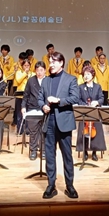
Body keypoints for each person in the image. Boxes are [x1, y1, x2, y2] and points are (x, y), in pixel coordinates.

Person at [39, 52, 80, 199]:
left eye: (54, 62)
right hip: (49, 121)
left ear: (61, 62)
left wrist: (58, 100)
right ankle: (51, 185)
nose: (51, 64)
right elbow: (40, 98)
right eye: (50, 62)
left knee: (67, 155)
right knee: (50, 155)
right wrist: (43, 106)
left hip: (64, 122)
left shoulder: (71, 79)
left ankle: (70, 185)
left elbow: (75, 97)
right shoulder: (45, 80)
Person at [76, 65, 106, 162]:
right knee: (83, 130)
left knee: (96, 130)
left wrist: (96, 102)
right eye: (84, 74)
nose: (86, 76)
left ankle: (94, 152)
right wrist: (85, 105)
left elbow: (101, 98)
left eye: (88, 74)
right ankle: (84, 151)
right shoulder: (81, 87)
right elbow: (78, 99)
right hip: (84, 113)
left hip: (95, 112)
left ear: (92, 75)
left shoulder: (98, 87)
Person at [22, 61, 46, 160]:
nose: (39, 72)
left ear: (45, 70)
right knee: (33, 131)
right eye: (37, 70)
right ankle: (33, 150)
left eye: (41, 70)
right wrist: (23, 107)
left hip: (45, 109)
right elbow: (26, 95)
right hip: (32, 108)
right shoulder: (31, 80)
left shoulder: (49, 80)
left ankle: (44, 151)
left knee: (44, 131)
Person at [13, 55, 32, 130]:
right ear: (22, 66)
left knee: (28, 113)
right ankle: (20, 130)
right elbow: (18, 80)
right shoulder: (18, 72)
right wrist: (25, 73)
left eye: (28, 65)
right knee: (19, 114)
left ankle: (27, 130)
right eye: (25, 65)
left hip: (30, 96)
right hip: (20, 96)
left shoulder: (33, 74)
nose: (26, 67)